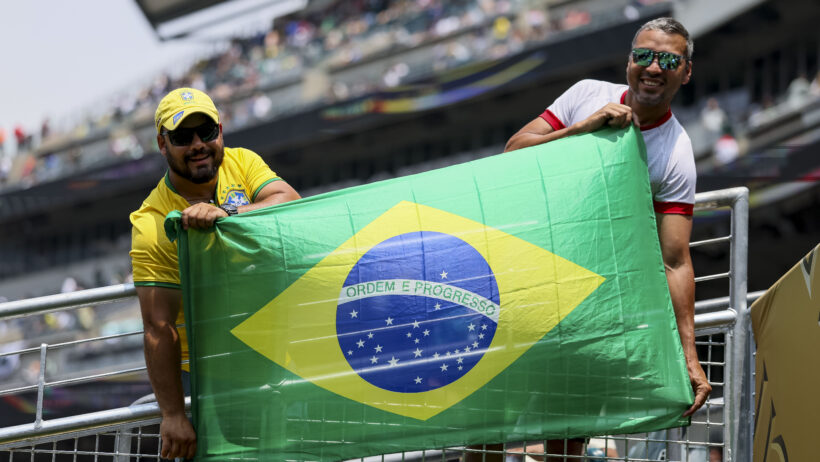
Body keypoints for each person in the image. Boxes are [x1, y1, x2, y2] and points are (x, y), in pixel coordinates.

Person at [497, 17, 711, 461]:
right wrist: (580, 131)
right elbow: (513, 153)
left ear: (686, 72)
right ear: (629, 61)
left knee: (567, 442)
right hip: (524, 290)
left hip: (591, 310)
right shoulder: (586, 95)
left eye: (668, 59)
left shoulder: (676, 153)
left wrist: (689, 356)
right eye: (644, 55)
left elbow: (675, 261)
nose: (653, 67)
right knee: (488, 426)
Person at [130, 87, 300, 460]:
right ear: (162, 144)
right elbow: (159, 327)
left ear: (220, 131)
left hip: (276, 355)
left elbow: (289, 203)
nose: (197, 145)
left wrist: (228, 215)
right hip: (211, 380)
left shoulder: (243, 163)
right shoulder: (153, 223)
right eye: (182, 137)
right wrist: (174, 415)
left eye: (206, 133)